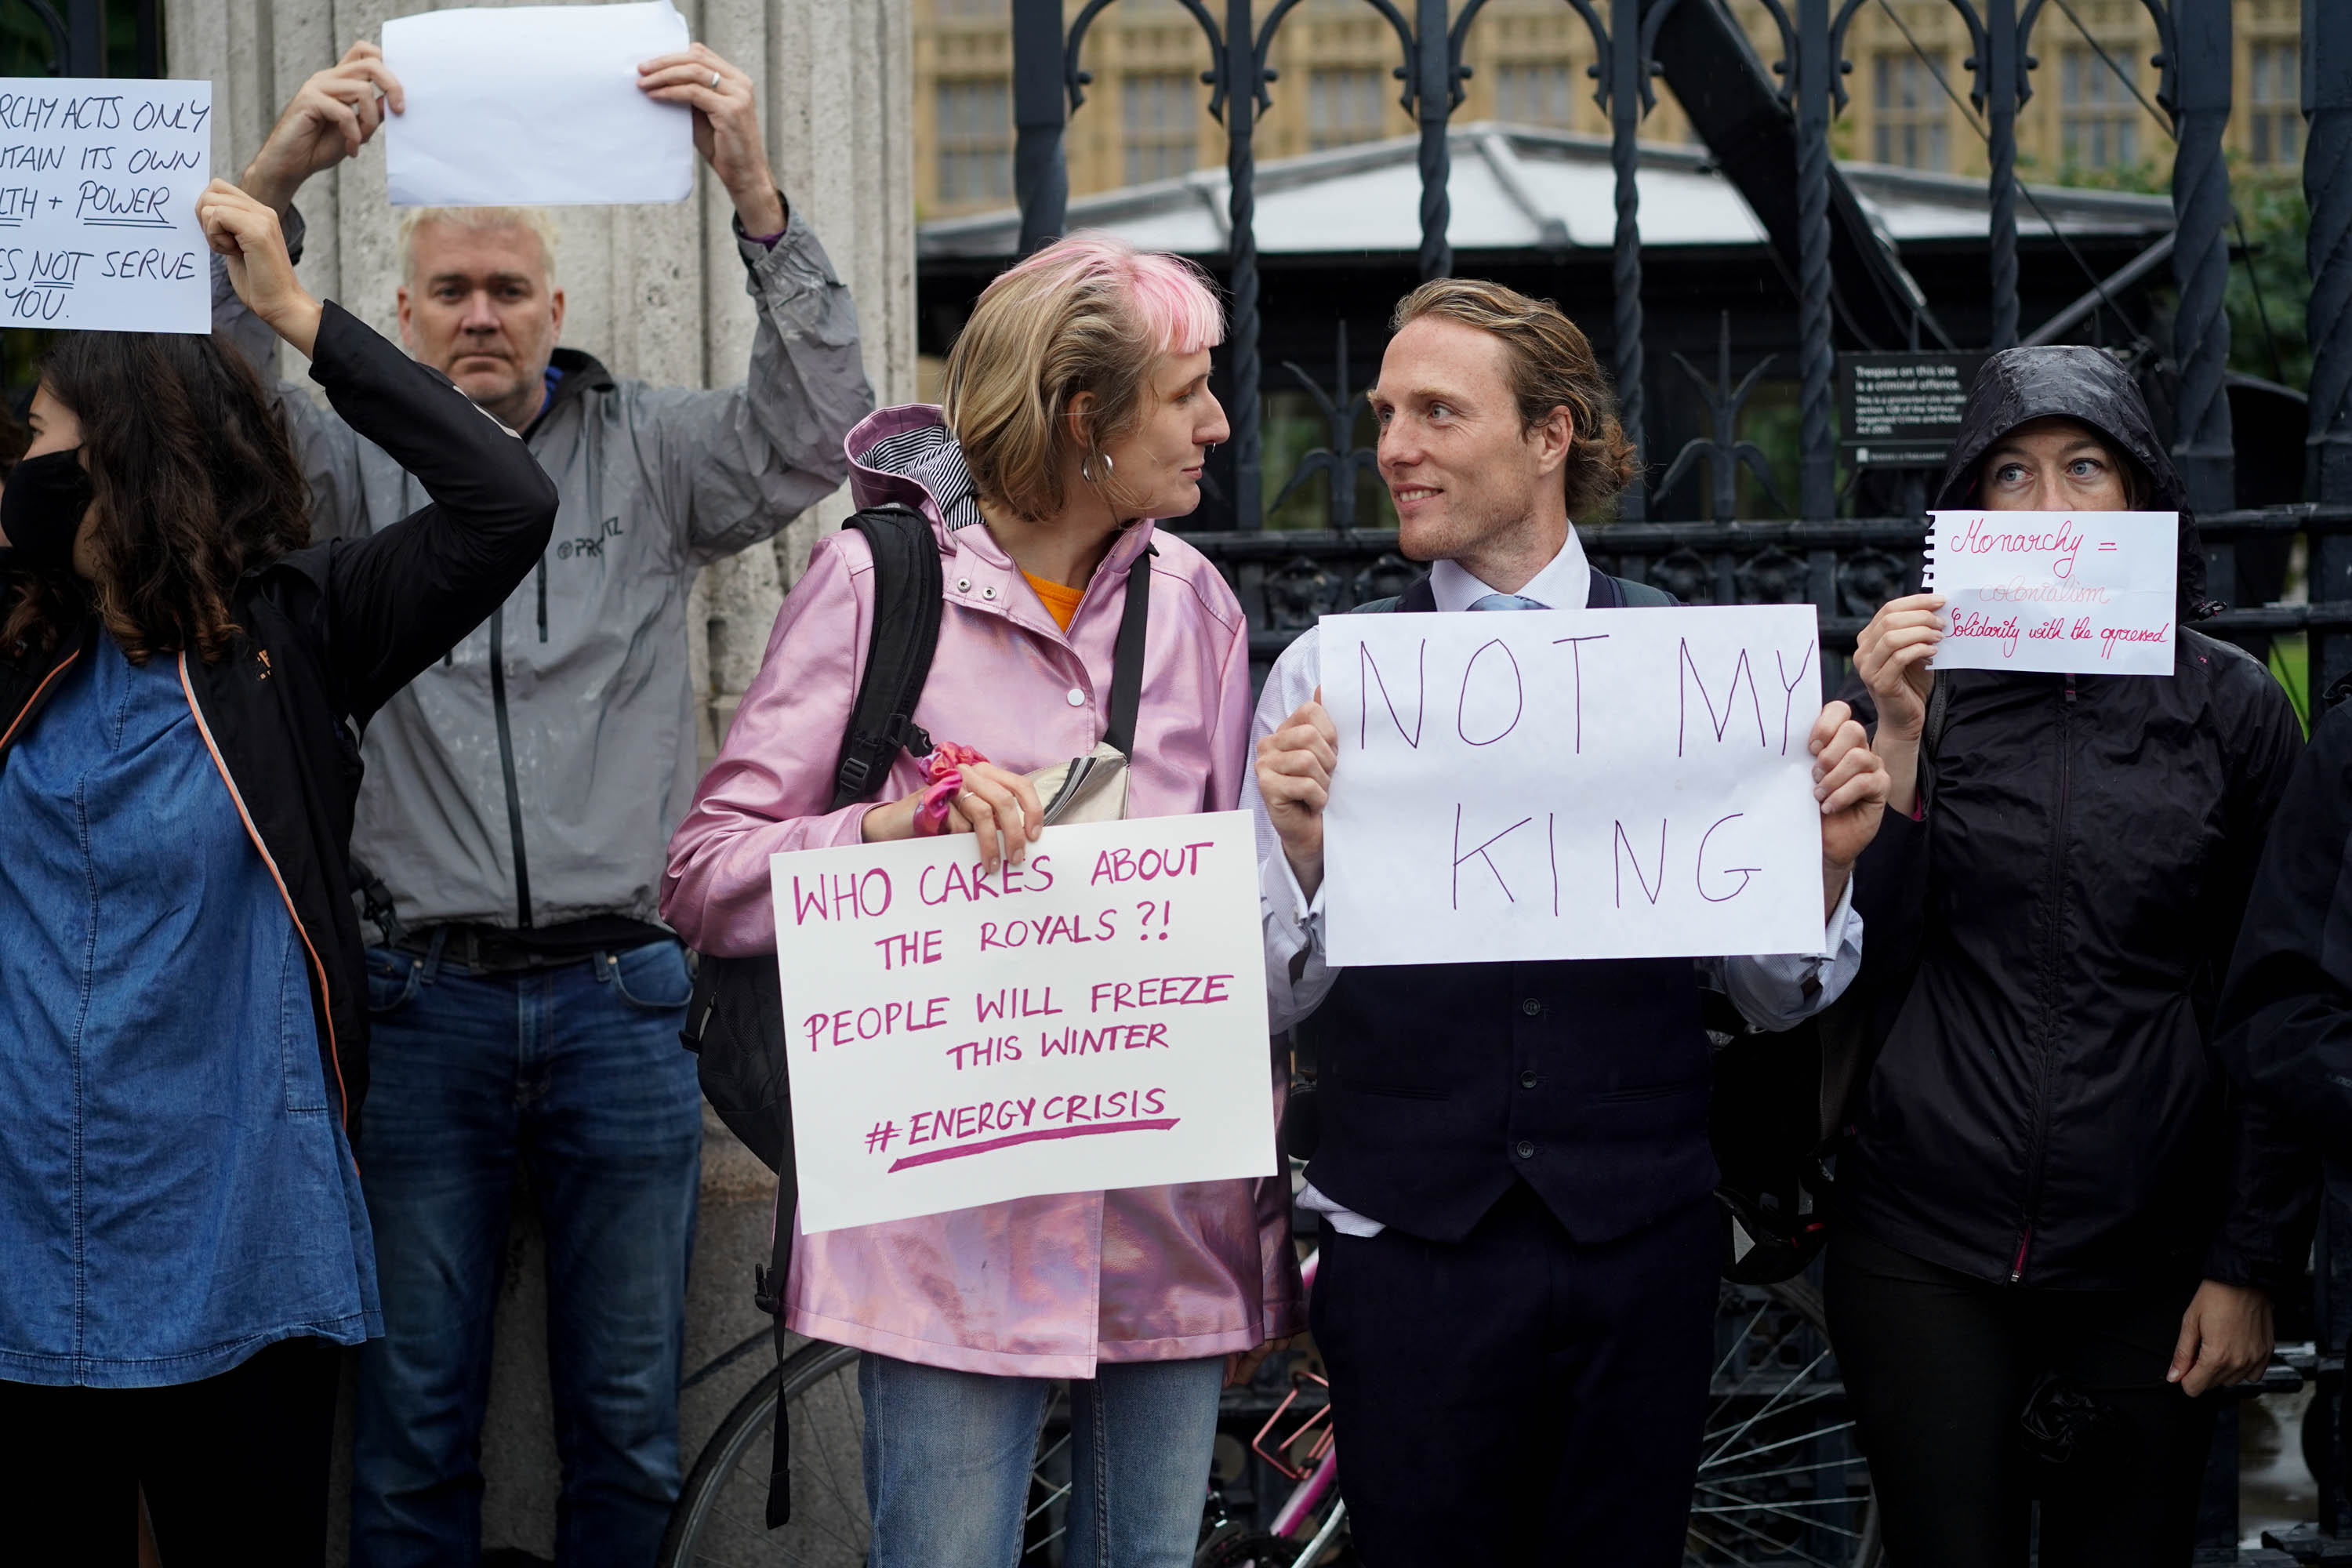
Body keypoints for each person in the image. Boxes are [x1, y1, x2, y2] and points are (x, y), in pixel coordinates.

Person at [215, 38, 874, 1568]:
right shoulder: (337, 460)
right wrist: (279, 176)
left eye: (510, 288)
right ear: (403, 310)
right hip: (419, 994)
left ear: (557, 311)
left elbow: (821, 423)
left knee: (630, 1430)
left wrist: (756, 194)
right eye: (451, 289)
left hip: (622, 1002)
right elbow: (195, 394)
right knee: (408, 1436)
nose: (483, 314)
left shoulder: (648, 450)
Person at [662, 234, 1301, 1568]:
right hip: (944, 1229)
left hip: (1162, 1214)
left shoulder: (1199, 609)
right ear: (1085, 420)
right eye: (1185, 393)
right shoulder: (877, 583)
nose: (1218, 423)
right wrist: (892, 829)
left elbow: (1239, 933)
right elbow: (705, 872)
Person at [1246, 278, 1888, 1564]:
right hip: (1408, 1239)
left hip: (1634, 1241)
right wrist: (1306, 864)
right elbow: (1264, 998)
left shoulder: (1692, 668)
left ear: (1553, 436)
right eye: (1384, 414)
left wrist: (1821, 871)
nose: (1393, 449)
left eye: (1437, 411)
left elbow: (1772, 993)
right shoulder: (1326, 678)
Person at [0, 183, 556, 1566]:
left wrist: (295, 313)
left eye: (39, 439)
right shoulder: (16, 641)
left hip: (242, 1239)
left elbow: (505, 504)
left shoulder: (293, 638)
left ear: (116, 465)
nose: (15, 464)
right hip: (21, 1242)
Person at [1834, 345, 2314, 1568]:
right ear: (1967, 514)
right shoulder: (1922, 695)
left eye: (2084, 469)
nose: (2048, 508)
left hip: (2153, 1249)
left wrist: (2248, 1262)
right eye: (2012, 476)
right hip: (1923, 1242)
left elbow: (2279, 998)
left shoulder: (2232, 707)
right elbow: (1846, 965)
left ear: (2142, 500)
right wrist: (1897, 733)